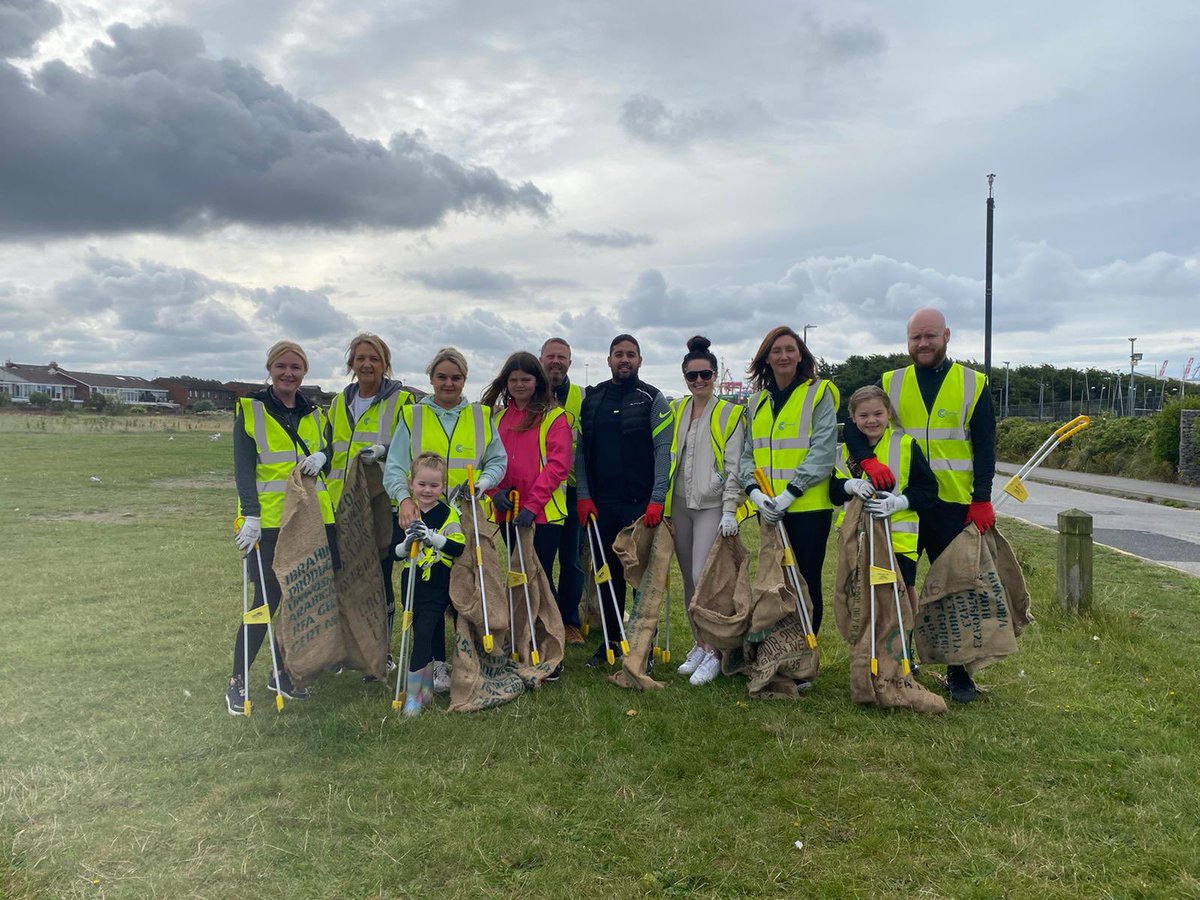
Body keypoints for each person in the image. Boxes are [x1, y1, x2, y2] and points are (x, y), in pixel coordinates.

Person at [841, 307, 995, 703]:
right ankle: (901, 662)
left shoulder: (972, 383)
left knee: (956, 589)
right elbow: (858, 425)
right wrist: (866, 461)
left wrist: (981, 498)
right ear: (907, 341)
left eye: (929, 336)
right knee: (899, 584)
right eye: (915, 338)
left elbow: (985, 445)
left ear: (946, 335)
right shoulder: (891, 382)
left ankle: (958, 673)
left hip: (953, 502)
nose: (922, 344)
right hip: (902, 505)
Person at [383, 347, 506, 693]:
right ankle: (435, 664)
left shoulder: (481, 416)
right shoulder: (413, 416)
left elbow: (498, 460)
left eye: (456, 377)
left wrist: (483, 483)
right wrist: (404, 499)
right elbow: (394, 467)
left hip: (465, 516)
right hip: (423, 515)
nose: (448, 383)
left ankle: (470, 657)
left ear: (465, 379)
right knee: (428, 591)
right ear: (431, 379)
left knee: (468, 587)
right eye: (442, 377)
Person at [227, 340, 335, 715]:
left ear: (304, 371)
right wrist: (251, 515)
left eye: (296, 367)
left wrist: (324, 456)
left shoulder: (315, 412)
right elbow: (243, 467)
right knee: (266, 602)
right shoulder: (251, 409)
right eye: (282, 366)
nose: (289, 373)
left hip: (308, 519)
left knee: (299, 599)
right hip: (268, 522)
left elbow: (330, 450)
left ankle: (282, 672)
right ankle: (237, 681)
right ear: (270, 368)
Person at [575, 334, 672, 667]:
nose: (625, 360)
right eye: (619, 354)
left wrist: (657, 499)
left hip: (639, 505)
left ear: (640, 361)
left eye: (631, 354)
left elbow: (663, 453)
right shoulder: (592, 399)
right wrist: (584, 496)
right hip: (601, 505)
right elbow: (581, 454)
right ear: (609, 360)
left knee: (640, 577)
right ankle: (611, 641)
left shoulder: (653, 398)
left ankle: (642, 643)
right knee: (607, 575)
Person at [740, 325, 839, 636]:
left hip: (808, 507)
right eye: (776, 350)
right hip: (769, 509)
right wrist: (755, 494)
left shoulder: (819, 392)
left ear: (801, 356)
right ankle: (779, 649)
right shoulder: (755, 402)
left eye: (789, 350)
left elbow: (822, 451)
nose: (783, 356)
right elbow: (747, 454)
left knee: (805, 580)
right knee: (776, 581)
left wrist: (789, 494)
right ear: (766, 358)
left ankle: (803, 656)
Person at [325, 333, 414, 673]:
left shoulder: (402, 401)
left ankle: (380, 652)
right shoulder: (338, 403)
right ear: (351, 364)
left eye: (374, 358)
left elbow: (411, 447)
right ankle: (344, 649)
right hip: (341, 505)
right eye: (360, 358)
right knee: (343, 577)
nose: (366, 364)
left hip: (381, 503)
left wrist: (385, 452)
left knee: (377, 576)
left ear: (385, 364)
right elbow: (329, 445)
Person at [664, 336, 745, 686]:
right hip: (680, 504)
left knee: (704, 577)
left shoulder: (731, 413)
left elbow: (735, 465)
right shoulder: (677, 409)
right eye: (692, 376)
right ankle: (699, 643)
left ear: (714, 376)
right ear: (684, 377)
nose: (699, 381)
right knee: (687, 580)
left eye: (705, 374)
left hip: (712, 506)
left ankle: (716, 650)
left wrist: (730, 508)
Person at [830, 386, 938, 612]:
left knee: (901, 593)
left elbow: (928, 490)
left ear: (889, 413)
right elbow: (833, 492)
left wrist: (899, 502)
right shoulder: (844, 452)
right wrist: (848, 485)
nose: (871, 420)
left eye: (878, 414)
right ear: (853, 418)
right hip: (856, 540)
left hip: (897, 541)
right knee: (862, 595)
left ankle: (905, 640)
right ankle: (869, 643)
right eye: (863, 415)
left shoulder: (905, 444)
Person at [482, 351, 572, 588]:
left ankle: (548, 626)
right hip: (508, 509)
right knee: (518, 576)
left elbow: (558, 466)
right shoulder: (499, 419)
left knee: (539, 578)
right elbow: (490, 461)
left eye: (525, 379)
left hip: (542, 514)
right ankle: (522, 624)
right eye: (514, 380)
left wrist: (532, 506)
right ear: (506, 383)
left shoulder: (554, 417)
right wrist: (495, 492)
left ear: (537, 381)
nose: (519, 385)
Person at [393, 453, 466, 716]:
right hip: (412, 585)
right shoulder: (406, 511)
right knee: (419, 631)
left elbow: (459, 546)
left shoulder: (448, 514)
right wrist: (406, 542)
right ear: (411, 484)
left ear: (443, 487)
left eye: (434, 486)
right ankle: (427, 687)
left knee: (424, 634)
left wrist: (433, 538)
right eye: (422, 484)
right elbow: (395, 552)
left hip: (437, 584)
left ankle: (414, 697)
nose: (427, 490)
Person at [539, 337, 586, 645]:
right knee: (540, 561)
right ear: (541, 359)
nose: (556, 362)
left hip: (570, 489)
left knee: (571, 560)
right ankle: (545, 617)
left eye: (562, 357)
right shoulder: (528, 391)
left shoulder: (583, 396)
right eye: (551, 356)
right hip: (539, 493)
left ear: (570, 362)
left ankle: (568, 621)